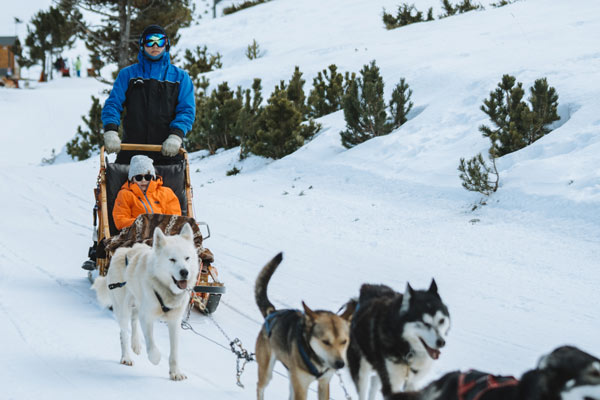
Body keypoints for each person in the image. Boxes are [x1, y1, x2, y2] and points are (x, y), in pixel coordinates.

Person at [101, 24, 195, 165]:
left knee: (171, 186)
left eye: (160, 41)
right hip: (132, 150)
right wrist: (111, 130)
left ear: (167, 44)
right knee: (118, 184)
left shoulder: (180, 77)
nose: (155, 46)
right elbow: (113, 104)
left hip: (167, 151)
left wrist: (176, 136)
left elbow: (186, 110)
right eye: (150, 41)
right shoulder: (128, 75)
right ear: (142, 44)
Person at [112, 155, 182, 230]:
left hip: (164, 231)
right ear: (132, 179)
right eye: (138, 177)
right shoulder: (125, 194)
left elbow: (175, 217)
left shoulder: (166, 192)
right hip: (138, 232)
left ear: (153, 178)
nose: (143, 180)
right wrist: (144, 223)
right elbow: (121, 220)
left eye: (147, 177)